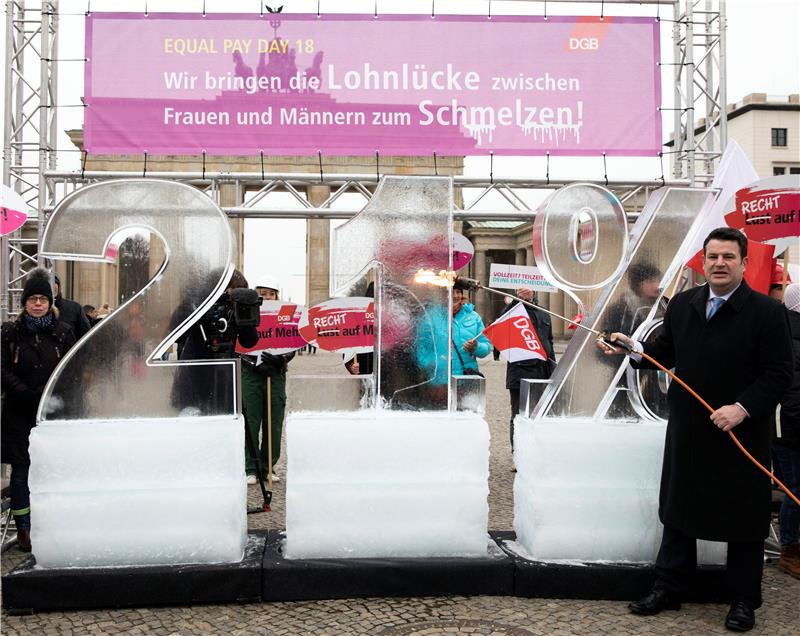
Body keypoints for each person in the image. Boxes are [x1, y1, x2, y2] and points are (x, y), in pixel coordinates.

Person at [598, 227, 793, 632]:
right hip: (689, 426)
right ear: (703, 262)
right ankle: (669, 586)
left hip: (740, 431)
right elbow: (664, 353)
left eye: (728, 257)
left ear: (743, 263)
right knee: (679, 507)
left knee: (743, 515)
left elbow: (778, 374)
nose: (719, 263)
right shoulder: (685, 303)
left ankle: (742, 599)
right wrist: (632, 350)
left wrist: (741, 409)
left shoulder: (767, 313)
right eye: (713, 257)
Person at [1, 269, 76, 553]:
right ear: (24, 303)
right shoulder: (10, 333)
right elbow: (3, 369)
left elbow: (72, 370)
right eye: (32, 299)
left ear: (50, 301)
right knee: (22, 472)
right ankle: (25, 529)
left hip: (52, 414)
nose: (37, 304)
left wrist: (52, 395)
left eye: (42, 299)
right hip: (19, 414)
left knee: (52, 470)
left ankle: (52, 524)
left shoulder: (62, 331)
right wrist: (23, 392)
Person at [241, 275, 294, 485]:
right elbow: (240, 344)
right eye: (263, 294)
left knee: (274, 421)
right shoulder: (248, 315)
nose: (268, 297)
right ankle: (250, 467)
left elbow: (293, 342)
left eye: (271, 294)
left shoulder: (286, 316)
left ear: (277, 296)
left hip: (276, 373)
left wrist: (281, 359)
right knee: (251, 419)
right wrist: (252, 361)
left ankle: (268, 466)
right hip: (252, 373)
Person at [416, 279, 492, 396]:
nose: (455, 296)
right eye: (452, 291)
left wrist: (476, 347)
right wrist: (433, 364)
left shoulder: (473, 317)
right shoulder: (431, 317)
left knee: (466, 413)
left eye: (458, 292)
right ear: (444, 294)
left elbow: (486, 347)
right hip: (440, 382)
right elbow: (421, 349)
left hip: (466, 381)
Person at [502, 288, 556, 450]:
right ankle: (517, 454)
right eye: (522, 287)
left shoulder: (543, 313)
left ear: (535, 290)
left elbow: (550, 342)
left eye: (529, 287)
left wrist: (553, 370)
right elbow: (502, 321)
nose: (526, 290)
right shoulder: (514, 309)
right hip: (520, 372)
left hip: (542, 372)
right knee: (518, 415)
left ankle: (534, 451)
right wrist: (518, 300)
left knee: (538, 415)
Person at [775, 283, 800, 579]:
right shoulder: (786, 335)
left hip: (789, 424)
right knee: (795, 490)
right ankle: (789, 550)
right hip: (788, 427)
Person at [52, 273, 90, 340]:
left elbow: (86, 335)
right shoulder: (35, 308)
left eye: (53, 283)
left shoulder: (74, 308)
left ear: (58, 286)